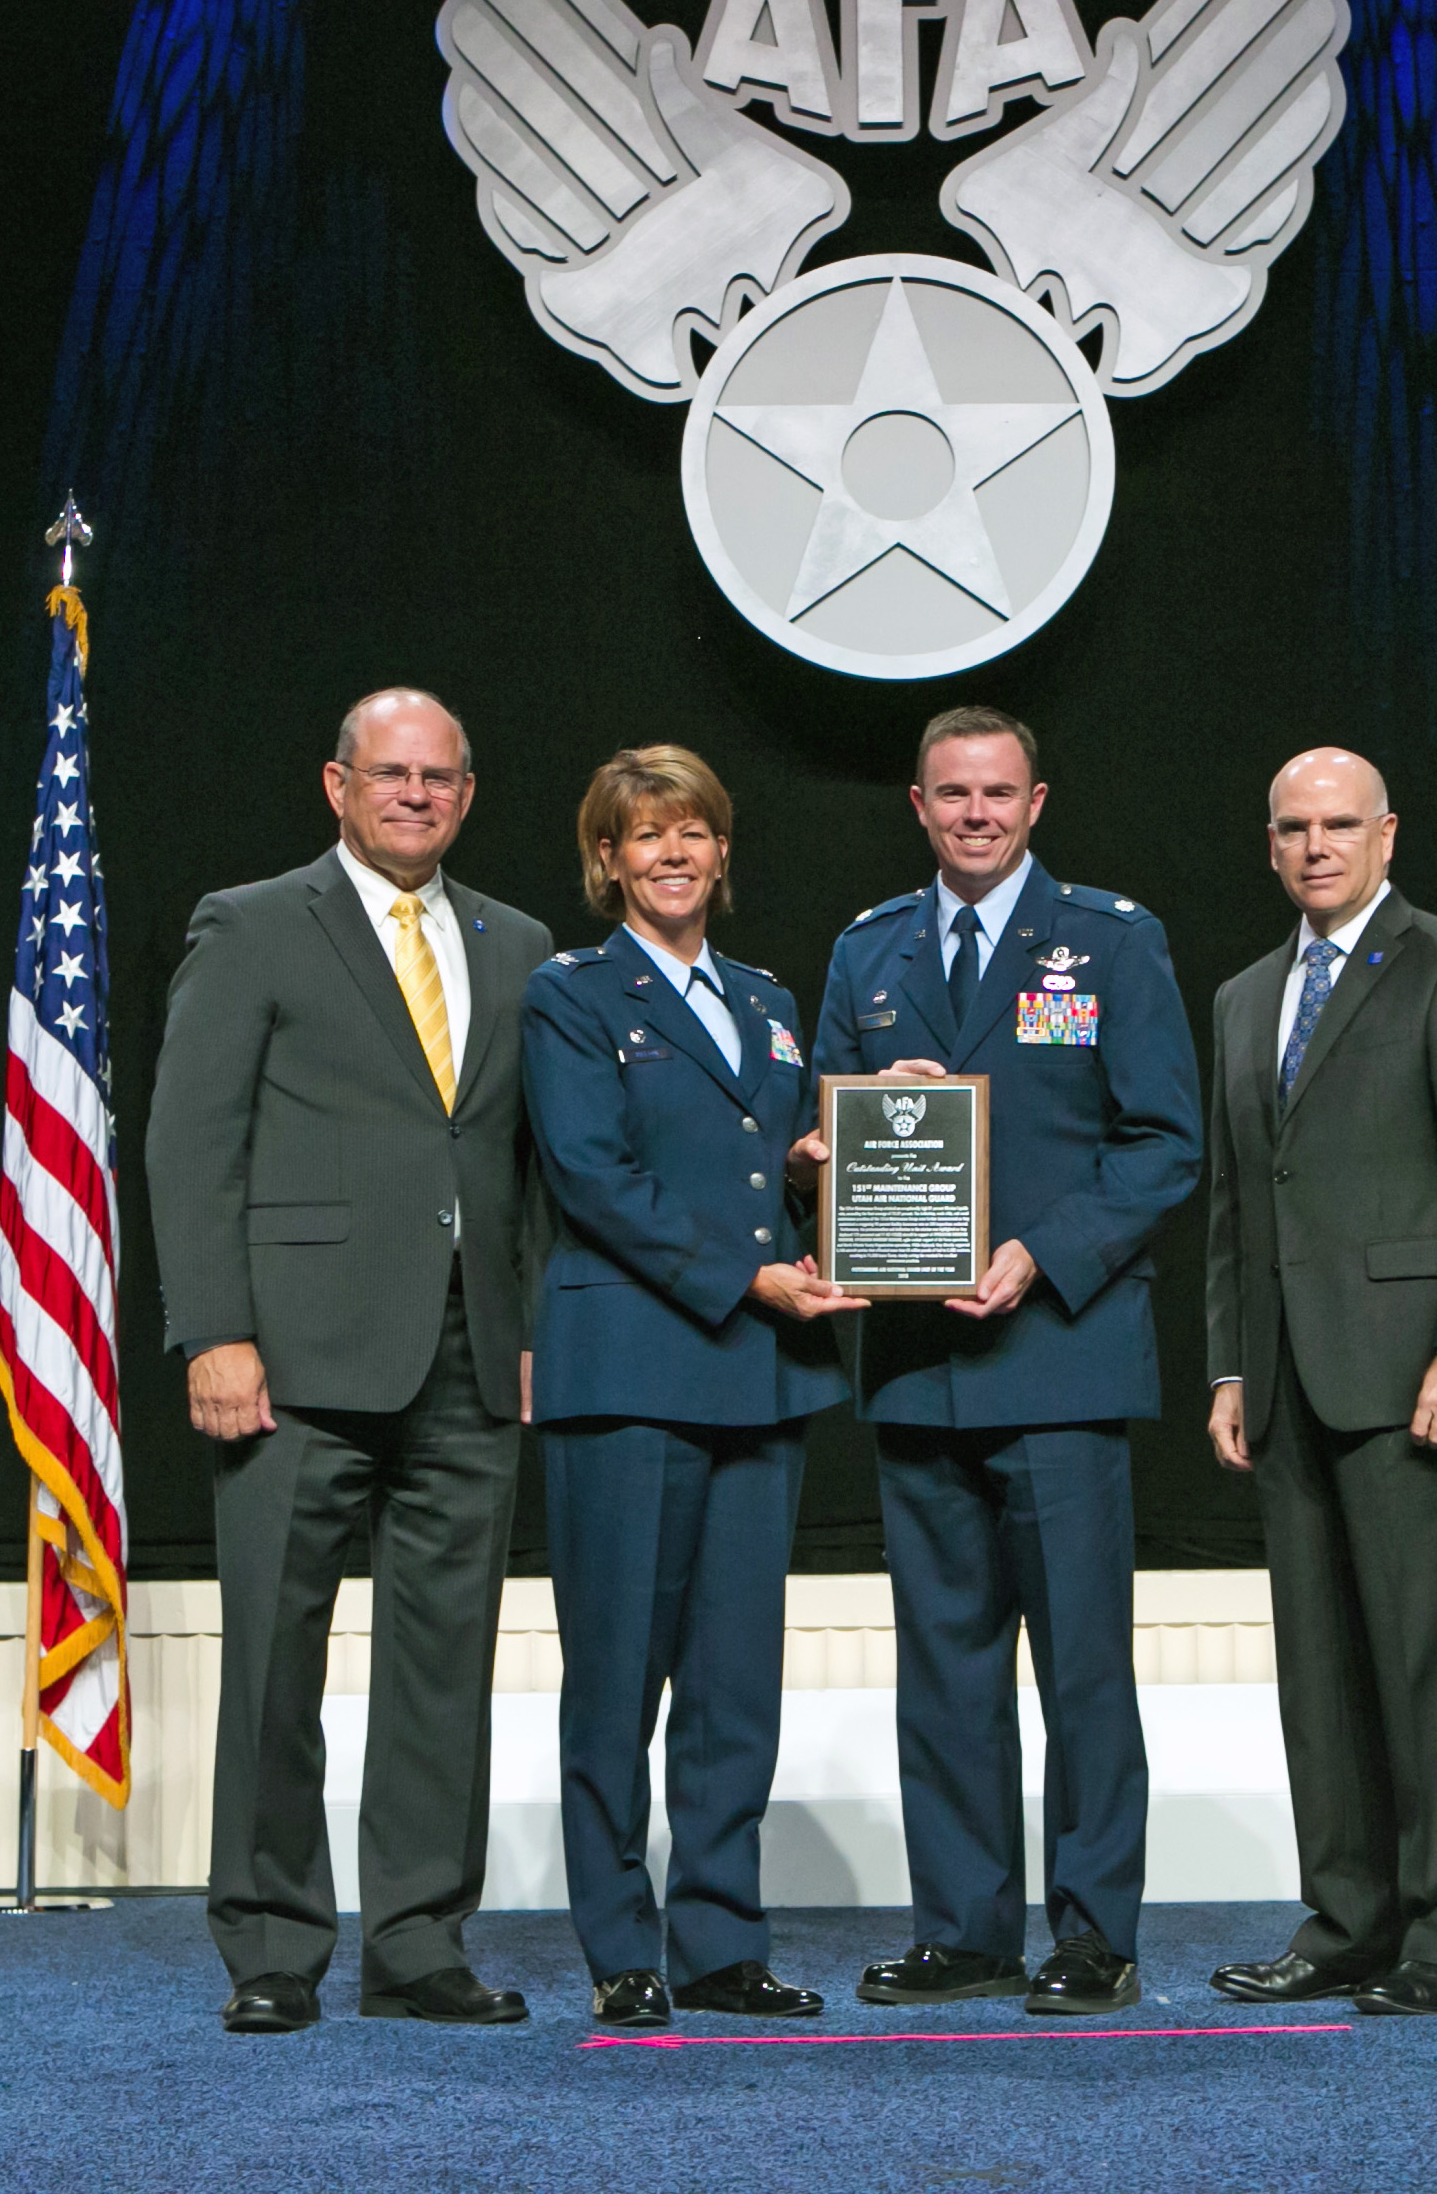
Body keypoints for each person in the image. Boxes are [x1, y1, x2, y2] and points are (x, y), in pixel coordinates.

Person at [148, 689, 552, 2035]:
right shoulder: (254, 923)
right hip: (291, 1358)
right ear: (338, 785)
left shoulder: (518, 943)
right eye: (391, 774)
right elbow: (190, 1143)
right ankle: (272, 1946)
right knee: (274, 1659)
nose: (415, 795)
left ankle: (419, 1942)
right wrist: (214, 1332)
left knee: (446, 1662)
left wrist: (529, 1332)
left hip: (469, 1356)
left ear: (468, 795)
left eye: (439, 777)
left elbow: (526, 1168)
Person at [803, 706, 1202, 2014]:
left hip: (1059, 1357)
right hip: (916, 1363)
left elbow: (1164, 1143)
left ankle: (1093, 1937)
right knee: (944, 1670)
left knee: (1080, 1668)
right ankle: (965, 1932)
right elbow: (819, 1132)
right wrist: (828, 1146)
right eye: (951, 794)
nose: (974, 814)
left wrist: (1041, 1251)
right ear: (917, 806)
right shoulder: (867, 951)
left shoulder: (1110, 941)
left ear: (1036, 804)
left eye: (997, 793)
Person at [521, 746, 863, 2030]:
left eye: (693, 833)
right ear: (606, 861)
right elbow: (593, 1178)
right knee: (618, 1678)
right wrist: (748, 1278)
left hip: (760, 1378)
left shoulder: (766, 998)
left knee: (734, 1688)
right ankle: (622, 1949)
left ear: (722, 853)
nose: (671, 854)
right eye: (643, 835)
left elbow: (758, 1166)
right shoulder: (569, 995)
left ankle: (720, 1943)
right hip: (631, 1371)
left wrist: (829, 1162)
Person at [1204, 748, 1437, 2017]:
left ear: (1385, 834)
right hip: (1286, 1378)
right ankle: (1347, 1925)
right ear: (1269, 844)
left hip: (1413, 1375)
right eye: (1293, 827)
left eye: (1339, 825)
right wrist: (1229, 1365)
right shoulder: (1244, 995)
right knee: (1322, 1676)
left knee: (1429, 1673)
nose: (1316, 846)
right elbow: (1236, 1204)